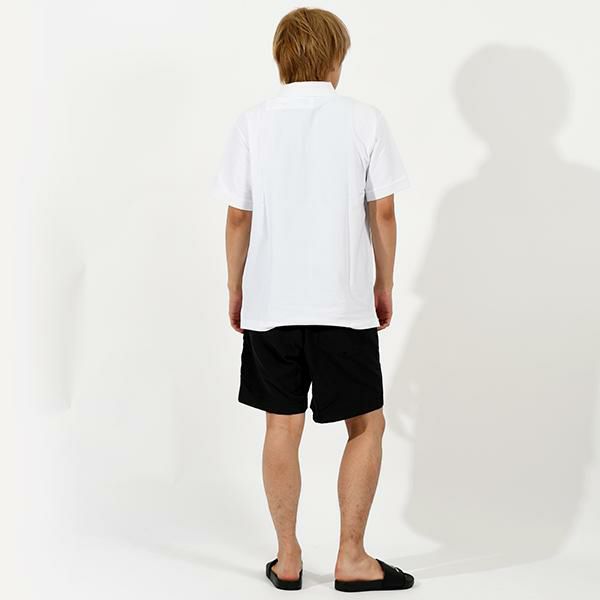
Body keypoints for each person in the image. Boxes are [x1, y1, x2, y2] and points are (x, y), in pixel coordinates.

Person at [212, 7, 414, 593]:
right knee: (366, 425)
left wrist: (237, 287)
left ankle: (288, 558)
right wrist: (383, 284)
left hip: (272, 304)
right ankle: (352, 557)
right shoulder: (363, 120)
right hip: (341, 304)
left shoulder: (253, 123)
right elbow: (383, 212)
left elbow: (238, 217)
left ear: (281, 59)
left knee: (282, 426)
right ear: (336, 60)